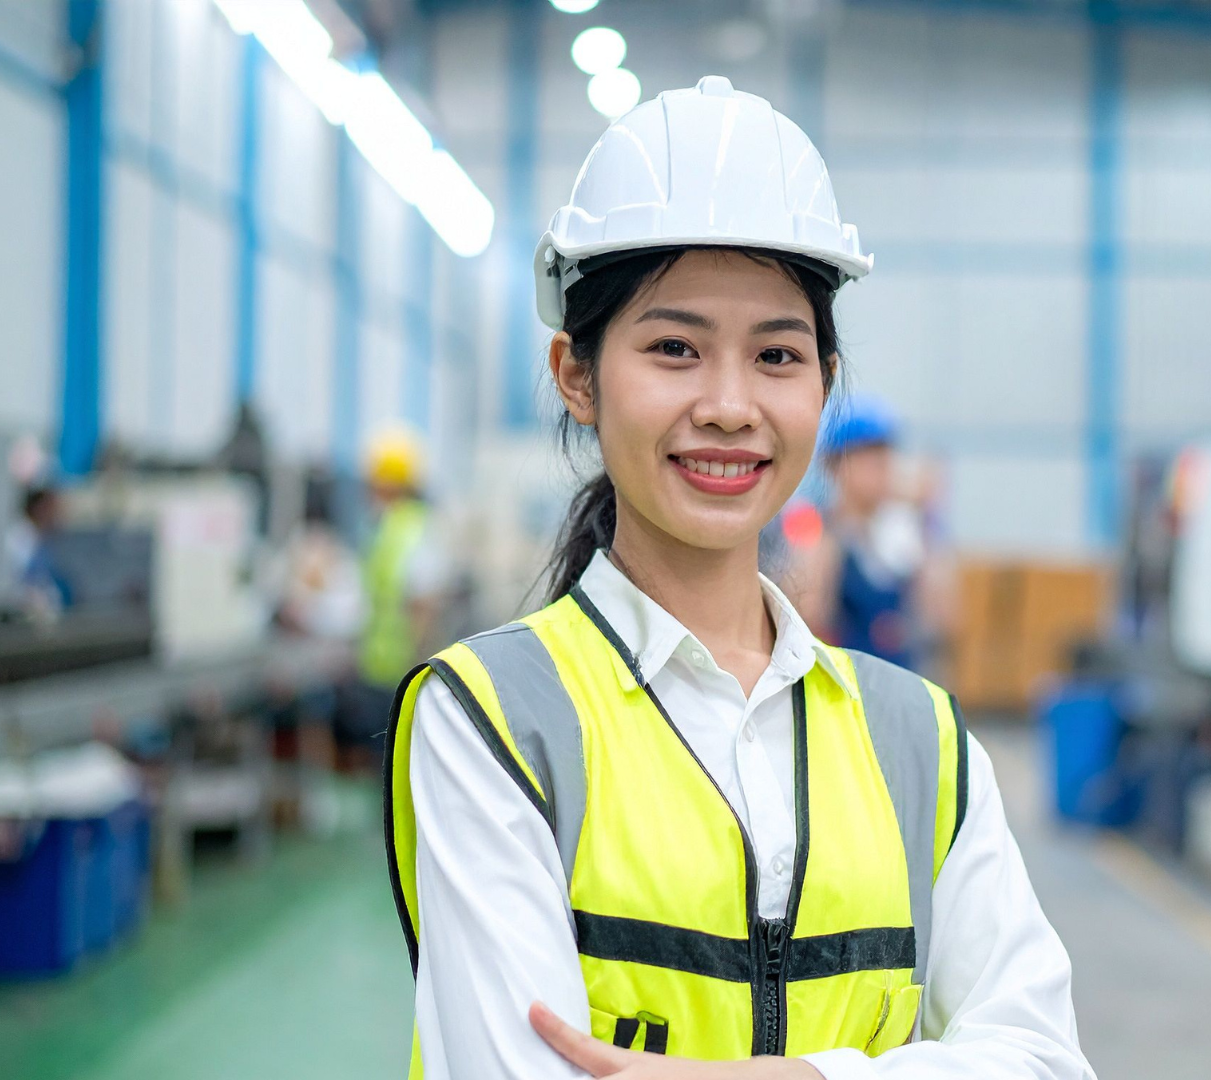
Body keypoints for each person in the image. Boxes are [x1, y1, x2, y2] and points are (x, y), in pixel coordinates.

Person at [381, 77, 1092, 1080]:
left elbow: (1042, 1060)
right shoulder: (495, 725)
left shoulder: (917, 741)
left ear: (822, 385)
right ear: (576, 375)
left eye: (775, 354)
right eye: (673, 348)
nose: (726, 405)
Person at [791, 397, 931, 672]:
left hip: (895, 678)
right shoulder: (813, 526)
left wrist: (929, 517)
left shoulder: (898, 532)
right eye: (871, 458)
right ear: (836, 465)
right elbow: (809, 615)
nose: (884, 468)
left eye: (886, 457)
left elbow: (937, 619)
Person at [339, 430, 447, 767]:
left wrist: (415, 679)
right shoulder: (390, 527)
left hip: (399, 677)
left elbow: (423, 609)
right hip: (382, 673)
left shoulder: (410, 529)